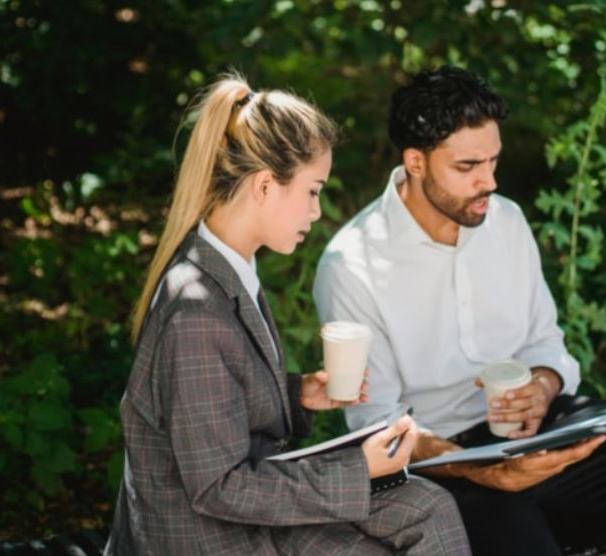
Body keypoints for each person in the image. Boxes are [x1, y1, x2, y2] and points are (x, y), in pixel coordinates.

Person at [313, 65, 606, 555]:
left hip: (536, 432)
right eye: (468, 167)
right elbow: (379, 426)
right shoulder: (353, 263)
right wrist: (487, 470)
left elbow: (545, 343)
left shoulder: (506, 221)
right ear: (416, 162)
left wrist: (542, 385)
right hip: (441, 462)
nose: (488, 182)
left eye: (494, 161)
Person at [104, 73, 471, 555]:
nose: (317, 212)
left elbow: (213, 401)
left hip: (247, 497)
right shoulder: (195, 310)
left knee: (431, 507)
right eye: (313, 191)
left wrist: (298, 393)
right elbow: (218, 488)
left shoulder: (229, 265)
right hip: (208, 534)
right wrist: (357, 470)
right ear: (263, 186)